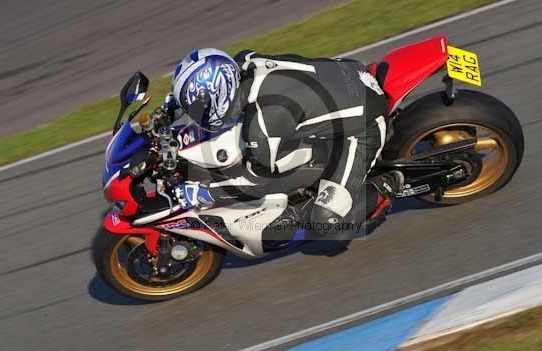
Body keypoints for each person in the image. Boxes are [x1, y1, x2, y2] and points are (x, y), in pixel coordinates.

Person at [165, 48, 403, 240]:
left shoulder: (263, 124)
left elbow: (256, 184)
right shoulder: (245, 62)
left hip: (363, 128)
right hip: (346, 72)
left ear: (219, 95)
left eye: (197, 108)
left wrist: (205, 193)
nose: (196, 114)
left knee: (326, 221)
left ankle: (388, 183)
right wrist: (172, 107)